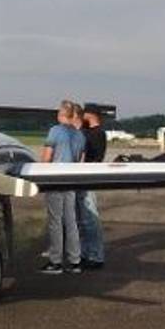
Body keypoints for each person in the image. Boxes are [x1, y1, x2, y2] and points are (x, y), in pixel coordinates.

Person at [40, 100, 85, 274]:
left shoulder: (55, 131)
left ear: (61, 114)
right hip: (71, 180)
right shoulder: (80, 136)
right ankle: (75, 261)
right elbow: (81, 160)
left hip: (56, 180)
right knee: (71, 221)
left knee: (55, 221)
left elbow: (47, 157)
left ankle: (56, 261)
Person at [76, 104, 107, 269]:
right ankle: (85, 253)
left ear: (91, 115)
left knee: (90, 219)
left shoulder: (97, 134)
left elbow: (93, 156)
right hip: (82, 178)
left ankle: (95, 256)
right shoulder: (88, 132)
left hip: (88, 178)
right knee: (83, 220)